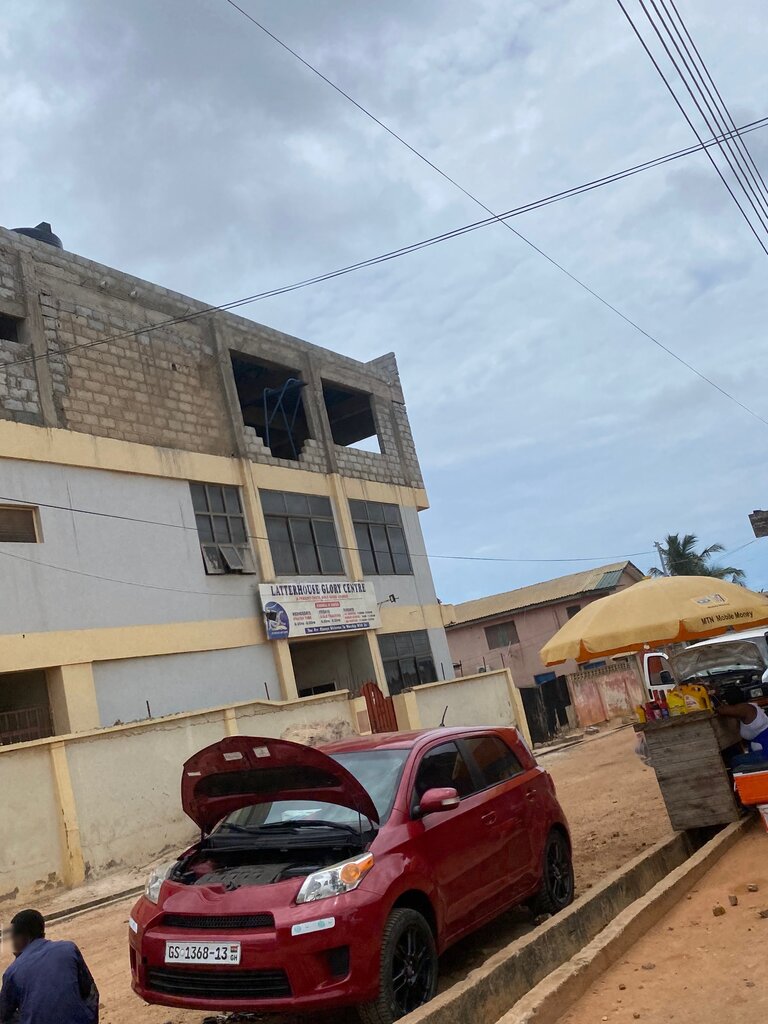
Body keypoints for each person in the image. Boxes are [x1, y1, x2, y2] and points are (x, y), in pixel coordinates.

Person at [0, 909, 99, 1024]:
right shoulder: (69, 948)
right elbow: (90, 992)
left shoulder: (13, 972)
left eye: (13, 939)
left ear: (24, 937)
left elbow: (4, 1016)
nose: (13, 946)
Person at [716, 685, 768, 770]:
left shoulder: (744, 708)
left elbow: (721, 710)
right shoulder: (749, 707)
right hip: (762, 749)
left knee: (735, 760)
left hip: (765, 752)